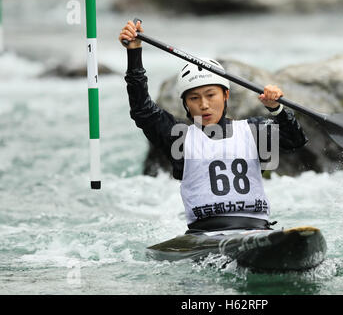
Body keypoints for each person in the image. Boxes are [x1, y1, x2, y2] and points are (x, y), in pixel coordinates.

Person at [119, 20, 308, 233]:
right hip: (205, 235)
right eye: (194, 98)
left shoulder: (253, 131)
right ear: (186, 104)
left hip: (255, 230)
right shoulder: (179, 137)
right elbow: (142, 110)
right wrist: (134, 53)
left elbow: (296, 140)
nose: (204, 105)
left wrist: (277, 109)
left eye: (211, 95)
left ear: (225, 95)